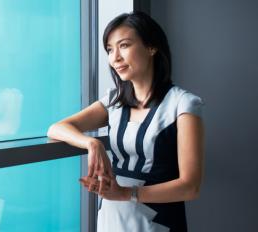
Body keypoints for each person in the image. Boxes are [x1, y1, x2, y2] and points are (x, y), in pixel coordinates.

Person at [47, 11, 204, 232]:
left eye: (124, 45)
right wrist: (92, 143)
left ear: (151, 47)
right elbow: (56, 128)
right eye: (110, 49)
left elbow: (190, 187)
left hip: (158, 221)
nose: (115, 58)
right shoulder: (114, 101)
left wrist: (126, 194)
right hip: (112, 216)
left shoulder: (183, 104)